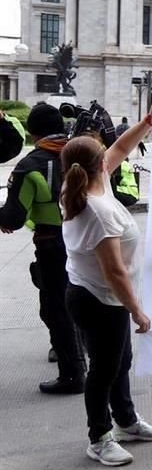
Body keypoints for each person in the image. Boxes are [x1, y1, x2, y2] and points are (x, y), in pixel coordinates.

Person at [60, 99, 152, 466]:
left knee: (119, 362)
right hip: (99, 299)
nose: (111, 153)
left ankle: (126, 421)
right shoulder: (97, 212)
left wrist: (149, 120)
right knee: (103, 371)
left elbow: (122, 147)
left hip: (102, 297)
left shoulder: (87, 184)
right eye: (103, 152)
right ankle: (99, 437)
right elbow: (114, 272)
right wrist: (138, 311)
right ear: (97, 164)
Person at [0, 103, 86, 394]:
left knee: (56, 308)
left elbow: (13, 217)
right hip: (89, 241)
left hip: (53, 244)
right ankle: (89, 356)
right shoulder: (84, 154)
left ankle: (73, 374)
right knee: (89, 299)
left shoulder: (31, 164)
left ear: (33, 133)